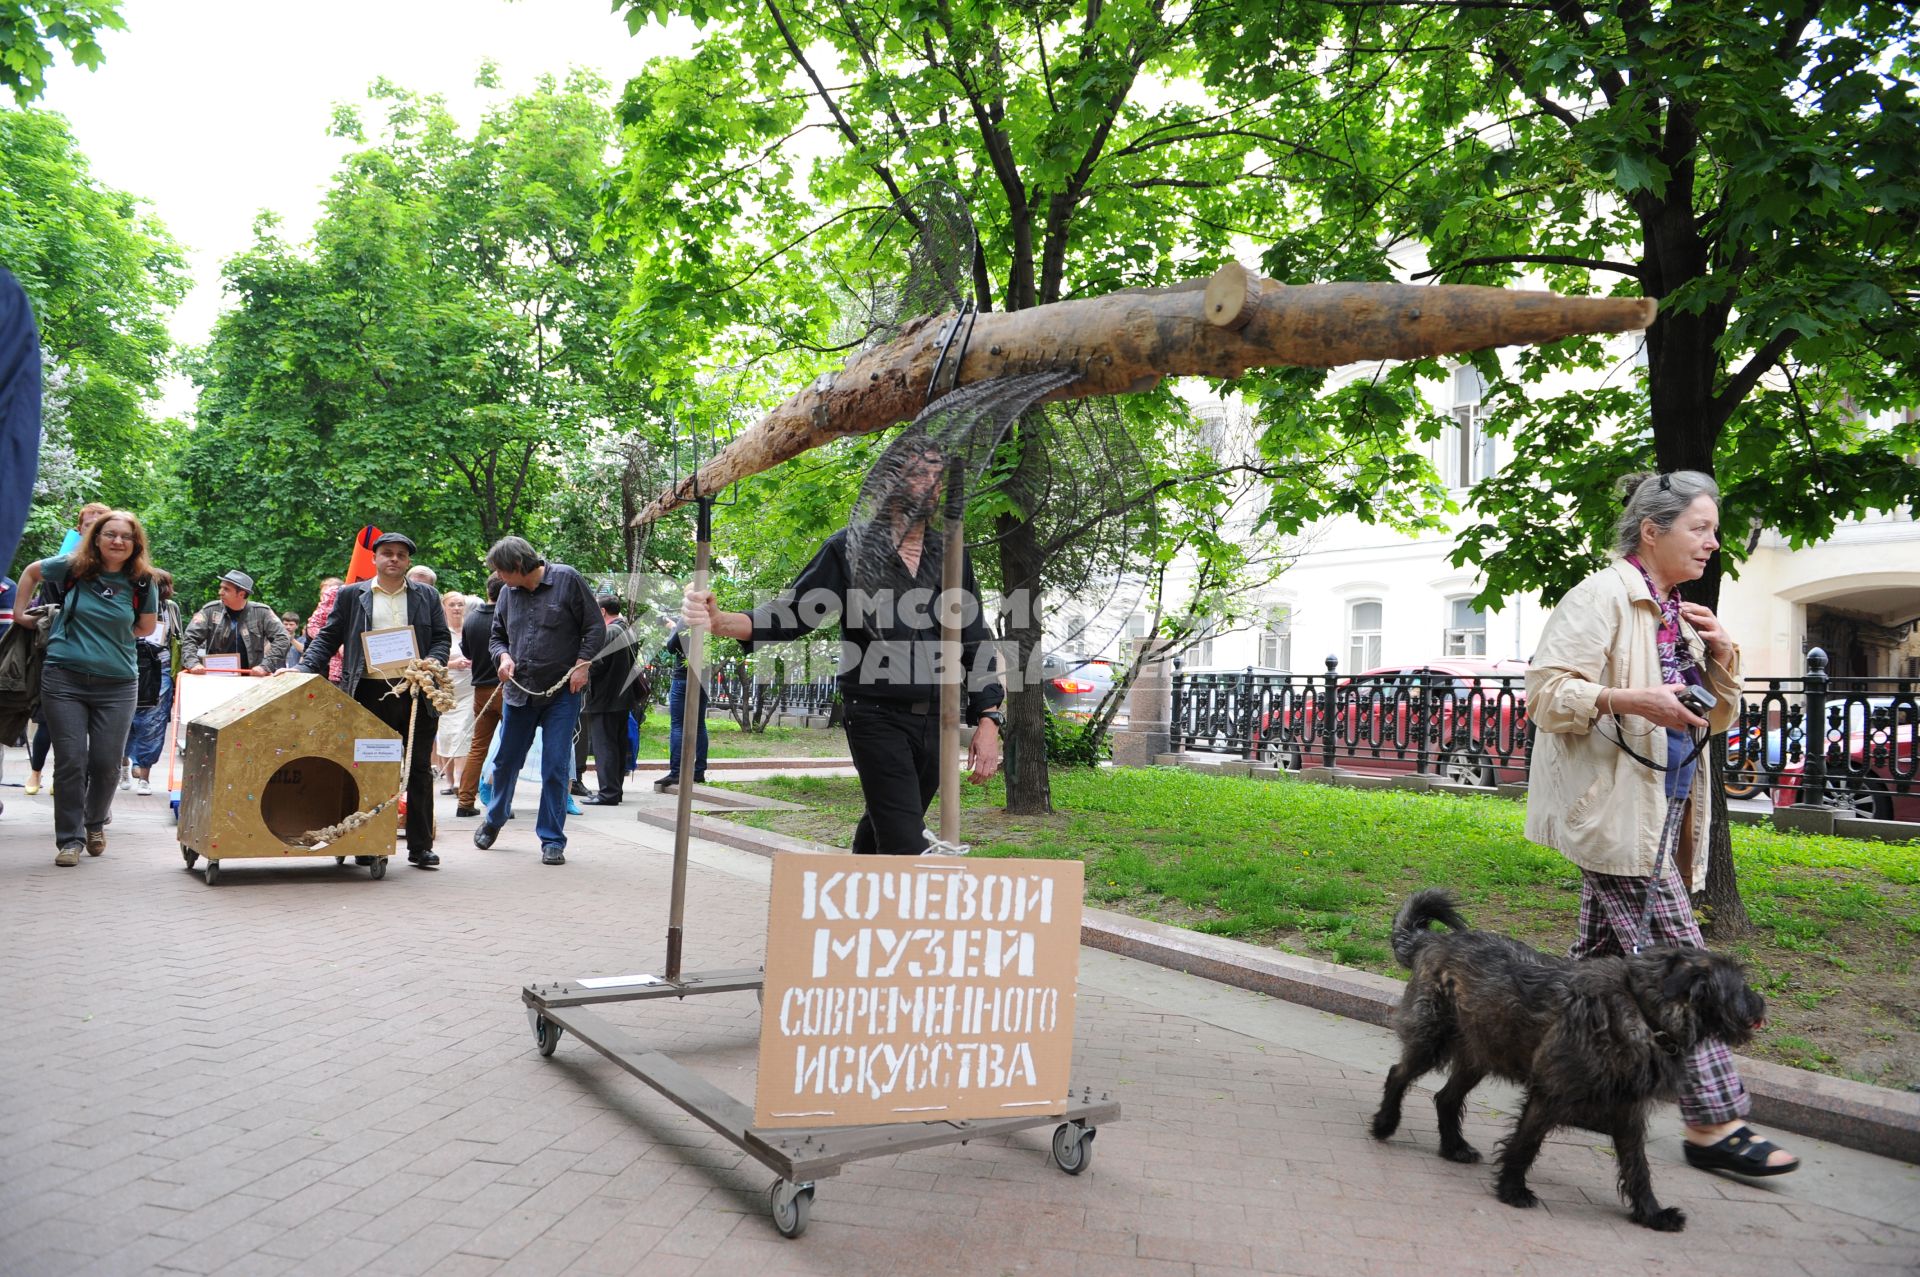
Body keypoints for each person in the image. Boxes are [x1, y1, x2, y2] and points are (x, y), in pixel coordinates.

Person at [1525, 470, 1799, 1178]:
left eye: (1715, 528)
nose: (1715, 542)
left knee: (1591, 970)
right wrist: (1628, 699)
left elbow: (1710, 717)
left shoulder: (1673, 609)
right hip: (1616, 818)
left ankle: (1539, 1070)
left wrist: (1726, 657)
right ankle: (1716, 1122)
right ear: (1653, 530)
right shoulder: (1601, 596)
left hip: (1661, 811)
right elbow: (1546, 694)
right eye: (1701, 528)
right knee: (1687, 971)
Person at [682, 439, 1004, 854]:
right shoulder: (847, 548)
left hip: (938, 720)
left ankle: (854, 897)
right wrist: (721, 621)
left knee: (886, 821)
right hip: (875, 713)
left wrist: (990, 718)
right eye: (916, 473)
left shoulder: (951, 554)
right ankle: (902, 917)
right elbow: (792, 614)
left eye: (935, 476)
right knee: (907, 840)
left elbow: (974, 638)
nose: (928, 484)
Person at [289, 531, 450, 869]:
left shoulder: (427, 596)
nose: (394, 559)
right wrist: (304, 668)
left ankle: (420, 847)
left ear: (408, 562)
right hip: (367, 693)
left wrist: (432, 663)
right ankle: (364, 841)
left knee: (418, 769)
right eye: (387, 553)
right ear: (375, 559)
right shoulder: (351, 595)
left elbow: (440, 638)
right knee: (366, 768)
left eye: (401, 555)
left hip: (415, 693)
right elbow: (329, 636)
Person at [11, 511, 158, 866]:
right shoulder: (74, 567)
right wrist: (19, 614)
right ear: (96, 537)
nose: (117, 541)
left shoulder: (141, 581)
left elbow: (146, 627)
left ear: (135, 544)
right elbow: (31, 571)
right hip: (64, 677)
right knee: (71, 762)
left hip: (118, 683)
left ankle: (94, 822)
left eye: (125, 536)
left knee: (106, 764)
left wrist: (107, 639)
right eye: (110, 534)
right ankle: (70, 840)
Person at [474, 536, 603, 865]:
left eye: (502, 571)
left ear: (518, 566)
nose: (499, 578)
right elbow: (497, 636)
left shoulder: (568, 580)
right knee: (505, 762)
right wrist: (502, 657)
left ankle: (552, 839)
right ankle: (495, 818)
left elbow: (594, 627)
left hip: (563, 694)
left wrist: (582, 664)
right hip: (519, 694)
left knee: (555, 766)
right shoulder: (507, 593)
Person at [23, 502, 111, 794]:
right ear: (80, 529)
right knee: (48, 722)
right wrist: (22, 615)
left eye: (102, 525)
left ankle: (76, 787)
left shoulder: (120, 571)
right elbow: (47, 603)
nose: (96, 530)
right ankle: (36, 772)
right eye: (90, 525)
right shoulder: (61, 565)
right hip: (60, 656)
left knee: (92, 733)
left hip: (102, 663)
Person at [123, 570, 183, 796]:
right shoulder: (131, 603)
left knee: (154, 722)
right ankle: (123, 766)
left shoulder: (171, 609)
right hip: (130, 664)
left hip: (161, 667)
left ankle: (144, 775)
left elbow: (177, 638)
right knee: (125, 720)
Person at [579, 594, 637, 806]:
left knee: (605, 747)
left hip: (605, 699)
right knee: (616, 745)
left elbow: (594, 665)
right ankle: (614, 791)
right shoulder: (624, 629)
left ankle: (608, 794)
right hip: (620, 699)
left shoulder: (609, 631)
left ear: (602, 611)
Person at [455, 575, 504, 818]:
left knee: (477, 747)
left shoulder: (472, 617)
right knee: (510, 747)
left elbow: (466, 650)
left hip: (480, 690)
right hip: (506, 689)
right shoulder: (507, 616)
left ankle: (465, 801)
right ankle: (500, 802)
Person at [180, 570, 289, 675]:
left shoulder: (262, 613)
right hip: (217, 677)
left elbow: (282, 639)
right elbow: (190, 638)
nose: (220, 592)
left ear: (241, 594)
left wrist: (265, 666)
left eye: (226, 589)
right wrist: (193, 663)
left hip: (252, 678)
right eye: (221, 588)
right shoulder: (210, 610)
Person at [653, 617, 709, 793]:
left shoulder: (686, 619)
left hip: (683, 677)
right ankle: (699, 771)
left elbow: (671, 646)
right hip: (703, 677)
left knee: (677, 725)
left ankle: (676, 772)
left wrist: (673, 627)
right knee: (699, 724)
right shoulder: (711, 617)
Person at [433, 590, 476, 795]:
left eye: (460, 604)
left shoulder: (471, 629)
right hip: (446, 692)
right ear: (445, 607)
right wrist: (453, 664)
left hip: (469, 690)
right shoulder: (440, 632)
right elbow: (432, 661)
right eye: (453, 605)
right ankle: (449, 780)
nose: (457, 608)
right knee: (446, 735)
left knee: (463, 733)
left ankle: (460, 778)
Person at [305, 576, 346, 683]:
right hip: (326, 663)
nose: (325, 598)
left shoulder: (348, 602)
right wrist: (337, 644)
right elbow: (312, 627)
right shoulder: (318, 615)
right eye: (323, 594)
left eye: (328, 594)